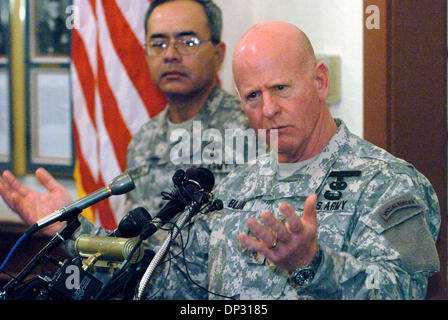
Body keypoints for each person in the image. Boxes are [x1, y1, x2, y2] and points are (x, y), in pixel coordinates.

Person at [141, 21, 440, 300]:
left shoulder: (390, 182)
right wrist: (105, 252)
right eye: (253, 96)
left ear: (320, 81)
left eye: (280, 89)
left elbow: (401, 289)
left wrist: (313, 264)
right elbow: (171, 284)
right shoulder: (234, 186)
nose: (268, 109)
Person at [0, 0, 249, 244]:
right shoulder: (144, 140)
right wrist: (67, 226)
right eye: (158, 43)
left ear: (218, 54)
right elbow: (132, 256)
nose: (171, 54)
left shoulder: (248, 132)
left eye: (187, 42)